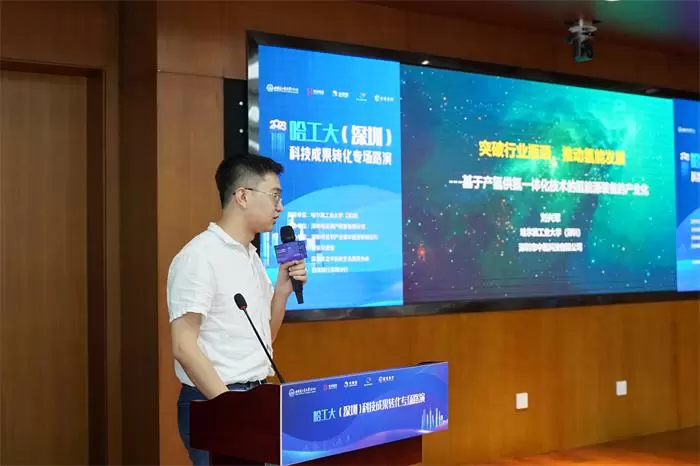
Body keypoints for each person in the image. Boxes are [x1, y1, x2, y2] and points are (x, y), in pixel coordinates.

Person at [167, 153, 307, 465]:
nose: (280, 207)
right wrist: (231, 409)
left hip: (255, 398)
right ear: (242, 196)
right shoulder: (199, 256)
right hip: (214, 402)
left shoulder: (250, 257)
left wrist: (282, 291)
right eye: (274, 196)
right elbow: (183, 346)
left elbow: (264, 338)